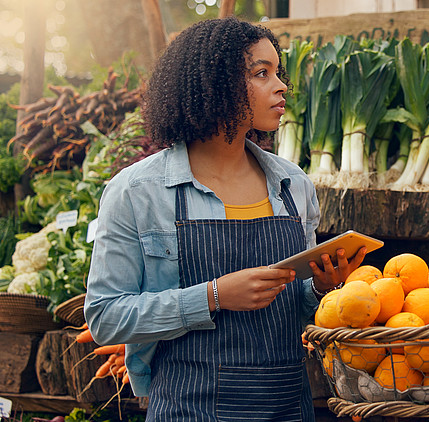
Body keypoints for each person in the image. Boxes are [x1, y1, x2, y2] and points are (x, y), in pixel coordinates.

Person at [84, 17, 365, 421]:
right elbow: (106, 317)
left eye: (277, 72)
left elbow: (295, 310)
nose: (281, 85)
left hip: (287, 406)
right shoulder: (138, 191)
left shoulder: (293, 185)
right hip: (188, 407)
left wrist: (321, 288)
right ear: (215, 84)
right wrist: (213, 296)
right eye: (260, 73)